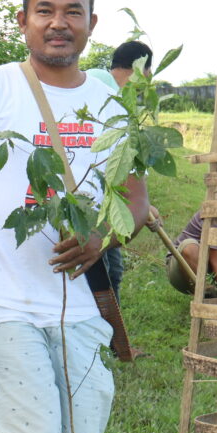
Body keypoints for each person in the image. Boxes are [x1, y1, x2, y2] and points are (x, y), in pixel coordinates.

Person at [0, 0, 150, 433]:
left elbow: (136, 201)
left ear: (92, 23)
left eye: (73, 11)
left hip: (80, 309)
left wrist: (103, 238)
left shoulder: (111, 103)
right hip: (2, 300)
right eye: (45, 11)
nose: (59, 23)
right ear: (23, 20)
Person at [85, 39, 154, 301]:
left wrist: (144, 204)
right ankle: (110, 338)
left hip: (104, 195)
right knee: (108, 271)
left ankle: (110, 337)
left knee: (109, 268)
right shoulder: (104, 87)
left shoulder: (98, 80)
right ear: (143, 69)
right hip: (93, 198)